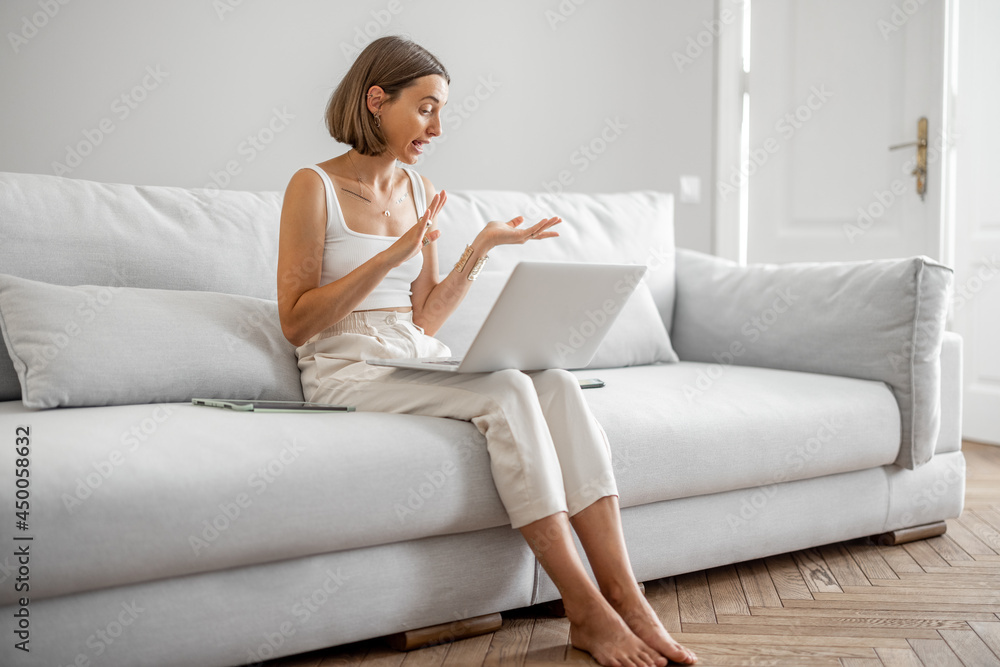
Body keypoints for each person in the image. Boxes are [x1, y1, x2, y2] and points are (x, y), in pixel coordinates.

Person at [276, 35, 697, 667]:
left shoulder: (419, 191)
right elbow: (296, 322)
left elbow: (423, 316)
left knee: (552, 381)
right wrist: (391, 256)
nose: (437, 126)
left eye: (442, 111)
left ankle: (627, 597)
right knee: (506, 389)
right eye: (425, 108)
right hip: (345, 364)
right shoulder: (314, 187)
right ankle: (584, 608)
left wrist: (482, 248)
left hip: (408, 348)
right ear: (375, 99)